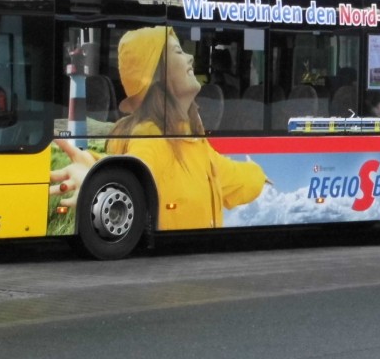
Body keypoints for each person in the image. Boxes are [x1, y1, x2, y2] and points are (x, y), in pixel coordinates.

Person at [50, 26, 266, 230]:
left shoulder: (191, 138)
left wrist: (257, 173)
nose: (191, 58)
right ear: (157, 74)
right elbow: (137, 168)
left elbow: (231, 176)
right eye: (178, 51)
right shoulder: (152, 137)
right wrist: (95, 176)